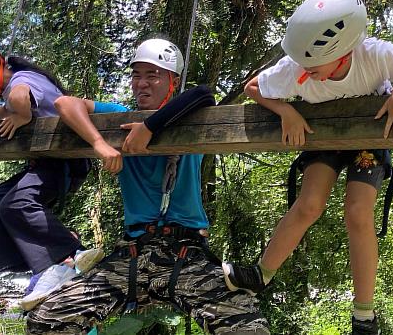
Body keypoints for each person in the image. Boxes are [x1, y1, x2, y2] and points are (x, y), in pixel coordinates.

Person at [221, 0, 393, 334]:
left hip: (367, 139)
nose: (304, 73)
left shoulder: (375, 55)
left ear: (343, 51)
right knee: (309, 205)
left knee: (357, 212)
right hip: (327, 138)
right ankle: (260, 275)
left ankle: (364, 313)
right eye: (302, 64)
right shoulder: (296, 69)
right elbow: (253, 88)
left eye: (313, 65)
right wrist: (286, 110)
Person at [26, 38, 270, 334]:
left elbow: (203, 94)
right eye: (136, 75)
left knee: (248, 328)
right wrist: (100, 143)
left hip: (186, 252)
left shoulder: (191, 120)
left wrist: (150, 128)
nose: (141, 83)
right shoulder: (119, 116)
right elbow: (65, 103)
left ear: (172, 81)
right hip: (133, 252)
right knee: (47, 319)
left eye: (152, 75)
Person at [0, 32, 104, 311]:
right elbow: (1, 110)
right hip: (44, 163)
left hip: (63, 162)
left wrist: (23, 115)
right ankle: (38, 266)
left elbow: (19, 97)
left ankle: (70, 254)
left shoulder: (21, 79)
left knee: (16, 203)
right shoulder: (14, 83)